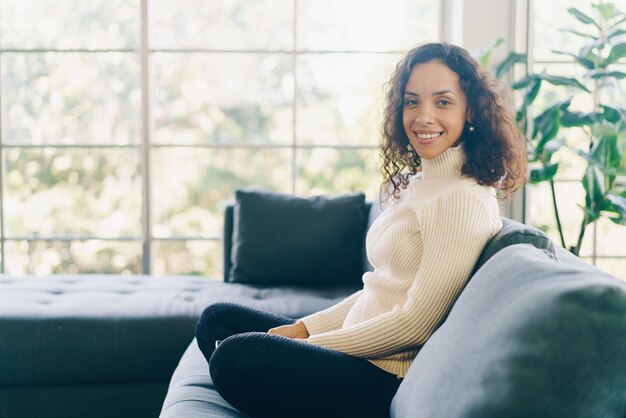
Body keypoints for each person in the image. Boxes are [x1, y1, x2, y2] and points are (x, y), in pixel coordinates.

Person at [195, 42, 527, 418]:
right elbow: (379, 289)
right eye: (412, 101)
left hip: (380, 375)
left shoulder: (460, 199)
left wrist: (315, 345)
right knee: (217, 319)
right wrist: (303, 329)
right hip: (355, 348)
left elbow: (415, 325)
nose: (424, 116)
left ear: (471, 112)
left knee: (235, 358)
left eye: (443, 102)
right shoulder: (419, 184)